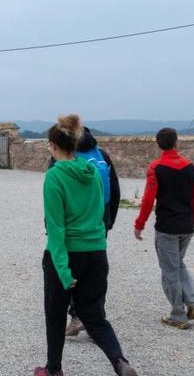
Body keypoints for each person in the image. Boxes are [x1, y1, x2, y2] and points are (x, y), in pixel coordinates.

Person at [35, 114, 137, 376]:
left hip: (67, 256)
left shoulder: (54, 176)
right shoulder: (92, 172)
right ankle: (119, 361)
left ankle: (53, 370)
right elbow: (101, 211)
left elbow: (56, 228)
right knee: (95, 316)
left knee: (56, 317)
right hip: (96, 253)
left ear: (54, 146)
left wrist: (63, 270)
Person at [134, 127, 194, 330]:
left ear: (158, 144)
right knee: (178, 264)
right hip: (186, 225)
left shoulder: (156, 168)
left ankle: (178, 315)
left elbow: (148, 199)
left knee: (170, 270)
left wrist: (140, 224)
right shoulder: (190, 168)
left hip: (167, 228)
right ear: (176, 142)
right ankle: (193, 301)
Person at [65, 127, 122, 337]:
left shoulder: (65, 155)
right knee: (96, 271)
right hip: (100, 220)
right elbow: (114, 190)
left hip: (72, 223)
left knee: (72, 270)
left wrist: (50, 225)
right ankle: (95, 318)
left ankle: (77, 316)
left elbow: (55, 192)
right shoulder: (101, 155)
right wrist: (110, 219)